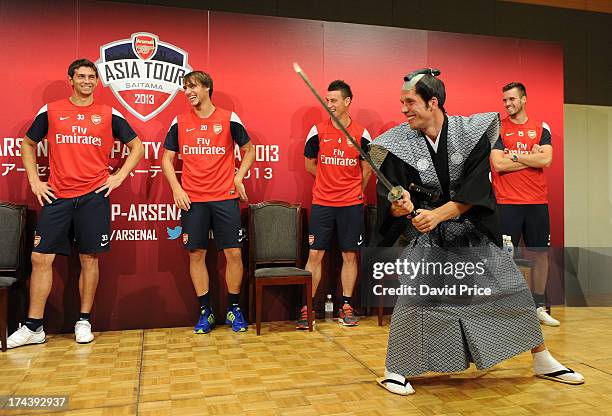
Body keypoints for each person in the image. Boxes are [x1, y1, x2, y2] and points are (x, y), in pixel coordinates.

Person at [369, 69, 584, 395]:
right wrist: (400, 205)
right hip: (427, 236)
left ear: (433, 102)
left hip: (468, 228)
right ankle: (394, 369)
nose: (403, 109)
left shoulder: (470, 133)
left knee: (511, 286)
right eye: (401, 103)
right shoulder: (400, 142)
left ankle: (541, 358)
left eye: (410, 102)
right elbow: (393, 196)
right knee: (415, 297)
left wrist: (438, 214)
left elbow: (475, 193)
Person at [6, 58, 144, 348]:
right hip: (57, 195)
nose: (86, 81)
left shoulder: (108, 113)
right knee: (40, 259)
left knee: (89, 259)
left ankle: (84, 321)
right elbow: (28, 144)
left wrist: (118, 177)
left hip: (94, 196)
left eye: (91, 77)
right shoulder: (52, 110)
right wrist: (34, 181)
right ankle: (34, 327)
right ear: (70, 80)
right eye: (81, 76)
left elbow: (137, 146)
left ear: (97, 81)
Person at [161, 71, 255, 334]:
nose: (188, 92)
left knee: (234, 254)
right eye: (185, 88)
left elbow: (250, 150)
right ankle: (205, 311)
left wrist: (238, 177)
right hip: (194, 199)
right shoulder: (179, 121)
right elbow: (167, 159)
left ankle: (234, 309)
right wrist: (176, 188)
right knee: (196, 254)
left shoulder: (228, 118)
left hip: (225, 197)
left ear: (207, 89)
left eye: (193, 87)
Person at [299, 80, 372, 329]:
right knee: (315, 254)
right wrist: (329, 182)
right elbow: (310, 164)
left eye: (334, 100)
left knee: (349, 255)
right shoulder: (317, 130)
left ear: (347, 102)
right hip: (322, 203)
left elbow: (367, 169)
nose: (329, 104)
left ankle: (347, 305)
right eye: (327, 100)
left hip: (351, 205)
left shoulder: (361, 134)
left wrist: (353, 191)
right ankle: (307, 308)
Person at [490, 82, 558, 326]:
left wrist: (516, 155)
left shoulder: (541, 128)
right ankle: (507, 307)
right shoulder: (498, 128)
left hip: (537, 201)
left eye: (512, 99)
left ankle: (538, 306)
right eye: (505, 101)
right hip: (507, 202)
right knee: (505, 257)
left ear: (524, 99)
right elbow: (498, 164)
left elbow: (547, 159)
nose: (508, 104)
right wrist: (533, 158)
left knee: (540, 255)